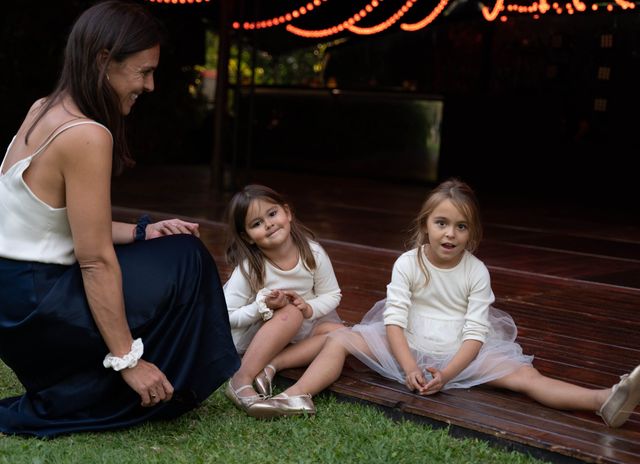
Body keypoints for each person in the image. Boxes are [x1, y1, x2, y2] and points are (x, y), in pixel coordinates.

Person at [0, 0, 239, 438]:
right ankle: (144, 386)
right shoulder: (86, 134)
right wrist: (127, 359)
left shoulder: (42, 109)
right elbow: (94, 260)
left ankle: (121, 378)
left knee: (171, 245)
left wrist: (144, 231)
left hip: (13, 303)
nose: (150, 86)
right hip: (40, 307)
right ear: (104, 61)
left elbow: (47, 224)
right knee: (188, 259)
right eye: (144, 72)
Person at [247, 178, 640, 428]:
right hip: (407, 341)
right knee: (340, 340)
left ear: (472, 234)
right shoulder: (408, 263)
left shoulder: (476, 271)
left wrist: (447, 374)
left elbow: (474, 332)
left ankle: (603, 400)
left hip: (460, 350)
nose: (450, 234)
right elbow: (394, 321)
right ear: (425, 226)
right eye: (441, 223)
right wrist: (408, 367)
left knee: (524, 378)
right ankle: (296, 395)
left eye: (461, 226)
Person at [223, 184, 344, 414]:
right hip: (257, 334)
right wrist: (261, 307)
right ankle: (241, 379)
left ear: (287, 213)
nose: (268, 224)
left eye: (272, 214)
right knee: (290, 311)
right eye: (256, 224)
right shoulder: (250, 268)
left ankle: (271, 366)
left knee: (341, 335)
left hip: (299, 327)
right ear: (247, 237)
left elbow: (332, 294)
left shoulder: (313, 253)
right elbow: (225, 316)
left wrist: (309, 307)